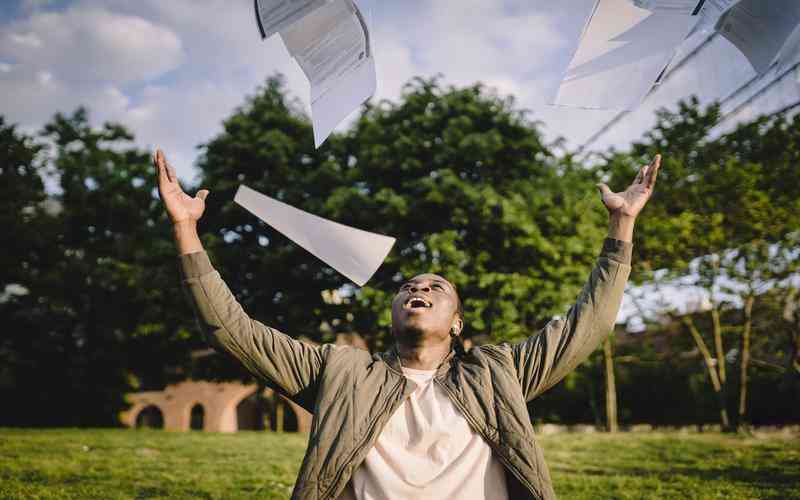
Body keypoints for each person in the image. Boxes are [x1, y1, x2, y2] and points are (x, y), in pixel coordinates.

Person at [155, 149, 660, 500]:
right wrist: (185, 229)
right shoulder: (342, 373)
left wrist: (622, 225)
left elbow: (586, 325)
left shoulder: (498, 372)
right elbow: (233, 331)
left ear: (457, 324)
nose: (418, 290)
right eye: (407, 288)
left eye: (436, 287)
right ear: (394, 314)